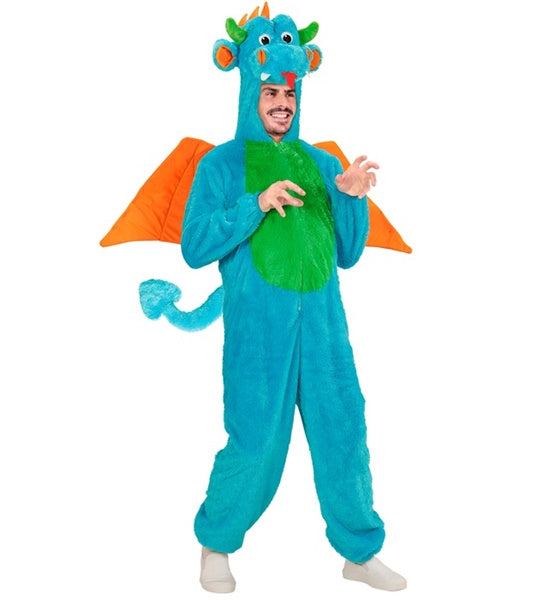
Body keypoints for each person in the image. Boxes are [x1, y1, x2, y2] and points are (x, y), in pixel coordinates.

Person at [180, 7, 406, 594]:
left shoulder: (324, 164)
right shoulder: (221, 164)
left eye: (289, 92)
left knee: (345, 434)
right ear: (250, 91)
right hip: (258, 333)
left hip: (326, 331)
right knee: (256, 443)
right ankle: (216, 542)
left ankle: (359, 552)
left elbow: (349, 254)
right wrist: (255, 204)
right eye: (271, 91)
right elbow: (194, 246)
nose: (282, 102)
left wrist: (350, 196)